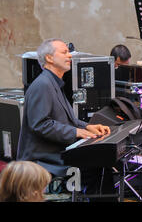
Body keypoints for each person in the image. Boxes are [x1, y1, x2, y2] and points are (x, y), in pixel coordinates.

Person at [17, 39, 110, 182]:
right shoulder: (43, 85)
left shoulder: (53, 82)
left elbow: (66, 120)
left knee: (101, 162)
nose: (70, 56)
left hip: (54, 155)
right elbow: (41, 124)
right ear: (49, 58)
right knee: (98, 166)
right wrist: (76, 132)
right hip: (42, 161)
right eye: (64, 52)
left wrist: (87, 127)